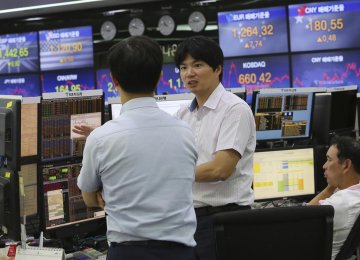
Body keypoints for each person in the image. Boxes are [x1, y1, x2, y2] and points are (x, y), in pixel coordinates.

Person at [77, 35, 198, 260]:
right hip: (181, 253)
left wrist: (110, 194)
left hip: (127, 253)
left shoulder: (100, 138)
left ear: (113, 79)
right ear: (160, 76)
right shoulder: (186, 132)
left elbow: (89, 198)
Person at [174, 35, 256, 260]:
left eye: (197, 65)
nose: (189, 73)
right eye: (183, 67)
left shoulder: (234, 110)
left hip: (226, 220)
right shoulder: (183, 114)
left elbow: (220, 170)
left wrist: (170, 175)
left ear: (218, 69)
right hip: (190, 220)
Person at [308, 136, 360, 260]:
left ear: (346, 165)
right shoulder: (353, 194)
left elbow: (301, 219)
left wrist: (328, 189)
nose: (324, 166)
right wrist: (331, 187)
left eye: (329, 160)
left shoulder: (338, 203)